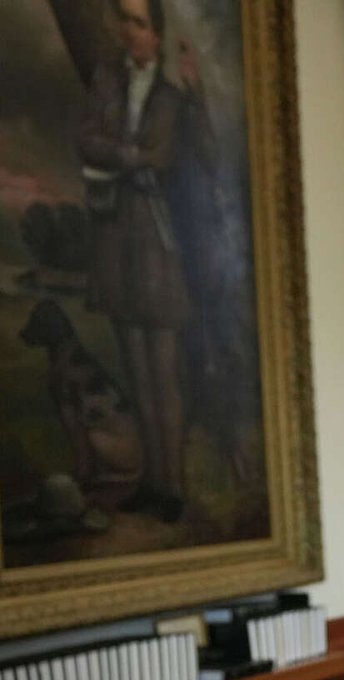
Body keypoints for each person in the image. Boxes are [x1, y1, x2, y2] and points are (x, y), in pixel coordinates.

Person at [77, 0, 201, 522]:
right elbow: (86, 141)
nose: (128, 30)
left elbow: (171, 156)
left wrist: (124, 154)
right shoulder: (107, 82)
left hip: (155, 236)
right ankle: (152, 481)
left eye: (139, 22)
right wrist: (132, 156)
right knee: (135, 365)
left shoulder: (172, 97)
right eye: (124, 20)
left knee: (162, 370)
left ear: (157, 33)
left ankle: (174, 485)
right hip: (115, 234)